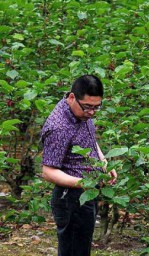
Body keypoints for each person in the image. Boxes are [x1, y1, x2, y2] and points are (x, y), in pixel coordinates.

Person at [41, 74, 117, 256]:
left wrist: (104, 163)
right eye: (88, 107)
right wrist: (84, 183)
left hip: (86, 193)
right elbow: (48, 171)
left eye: (96, 107)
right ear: (72, 97)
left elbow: (89, 141)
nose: (91, 112)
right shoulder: (58, 127)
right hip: (71, 199)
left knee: (81, 249)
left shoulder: (80, 113)